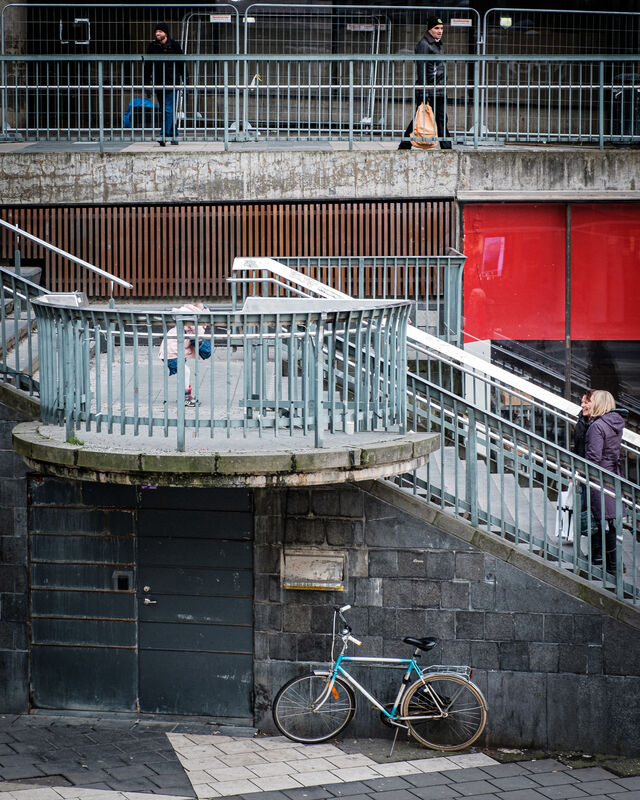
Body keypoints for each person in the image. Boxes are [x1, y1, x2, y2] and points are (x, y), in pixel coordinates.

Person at [584, 389, 626, 575]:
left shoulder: (597, 426)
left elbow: (593, 456)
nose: (589, 404)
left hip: (599, 477)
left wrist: (583, 471)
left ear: (600, 403)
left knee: (605, 522)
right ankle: (614, 565)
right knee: (609, 521)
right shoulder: (615, 423)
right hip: (612, 475)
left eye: (592, 400)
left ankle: (613, 566)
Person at [398, 16, 452, 151]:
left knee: (431, 118)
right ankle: (447, 148)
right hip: (430, 89)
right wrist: (424, 91)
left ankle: (405, 145)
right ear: (429, 29)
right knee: (434, 118)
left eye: (441, 28)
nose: (440, 31)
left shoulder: (437, 44)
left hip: (438, 89)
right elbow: (421, 69)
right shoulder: (424, 44)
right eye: (436, 28)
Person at [159, 303, 211, 406]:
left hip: (170, 351)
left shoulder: (186, 317)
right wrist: (202, 326)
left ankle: (183, 395)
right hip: (171, 352)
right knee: (185, 371)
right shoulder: (192, 321)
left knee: (185, 371)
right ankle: (185, 397)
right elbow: (199, 333)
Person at [144, 23, 186, 146]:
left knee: (168, 109)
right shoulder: (152, 46)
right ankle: (174, 135)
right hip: (158, 82)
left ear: (165, 33)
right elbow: (148, 65)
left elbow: (181, 64)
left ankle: (164, 135)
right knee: (165, 110)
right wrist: (147, 83)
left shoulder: (174, 45)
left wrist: (186, 81)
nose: (157, 33)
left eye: (160, 31)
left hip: (172, 82)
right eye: (156, 31)